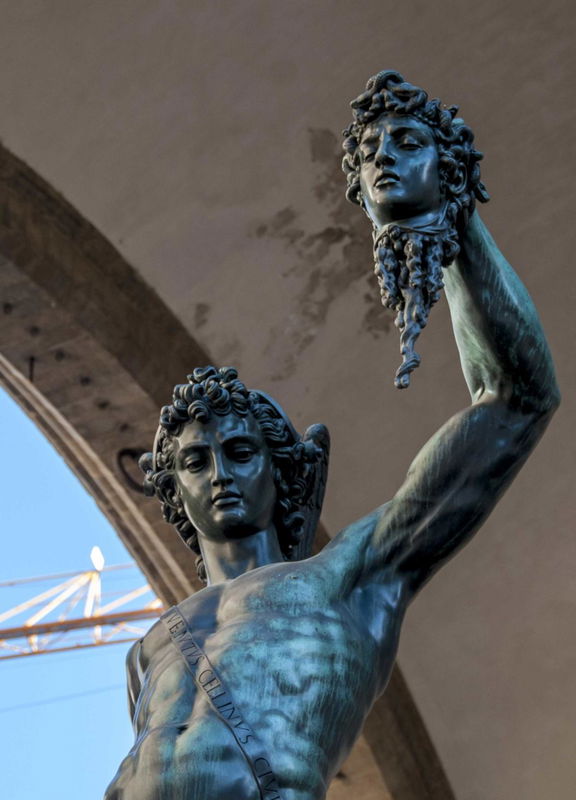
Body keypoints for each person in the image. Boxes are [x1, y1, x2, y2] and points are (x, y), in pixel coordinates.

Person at [104, 72, 560, 800]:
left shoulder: (349, 575)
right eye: (194, 460)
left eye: (240, 450)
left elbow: (515, 400)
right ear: (175, 490)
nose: (218, 471)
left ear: (281, 473)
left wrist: (456, 221)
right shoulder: (149, 648)